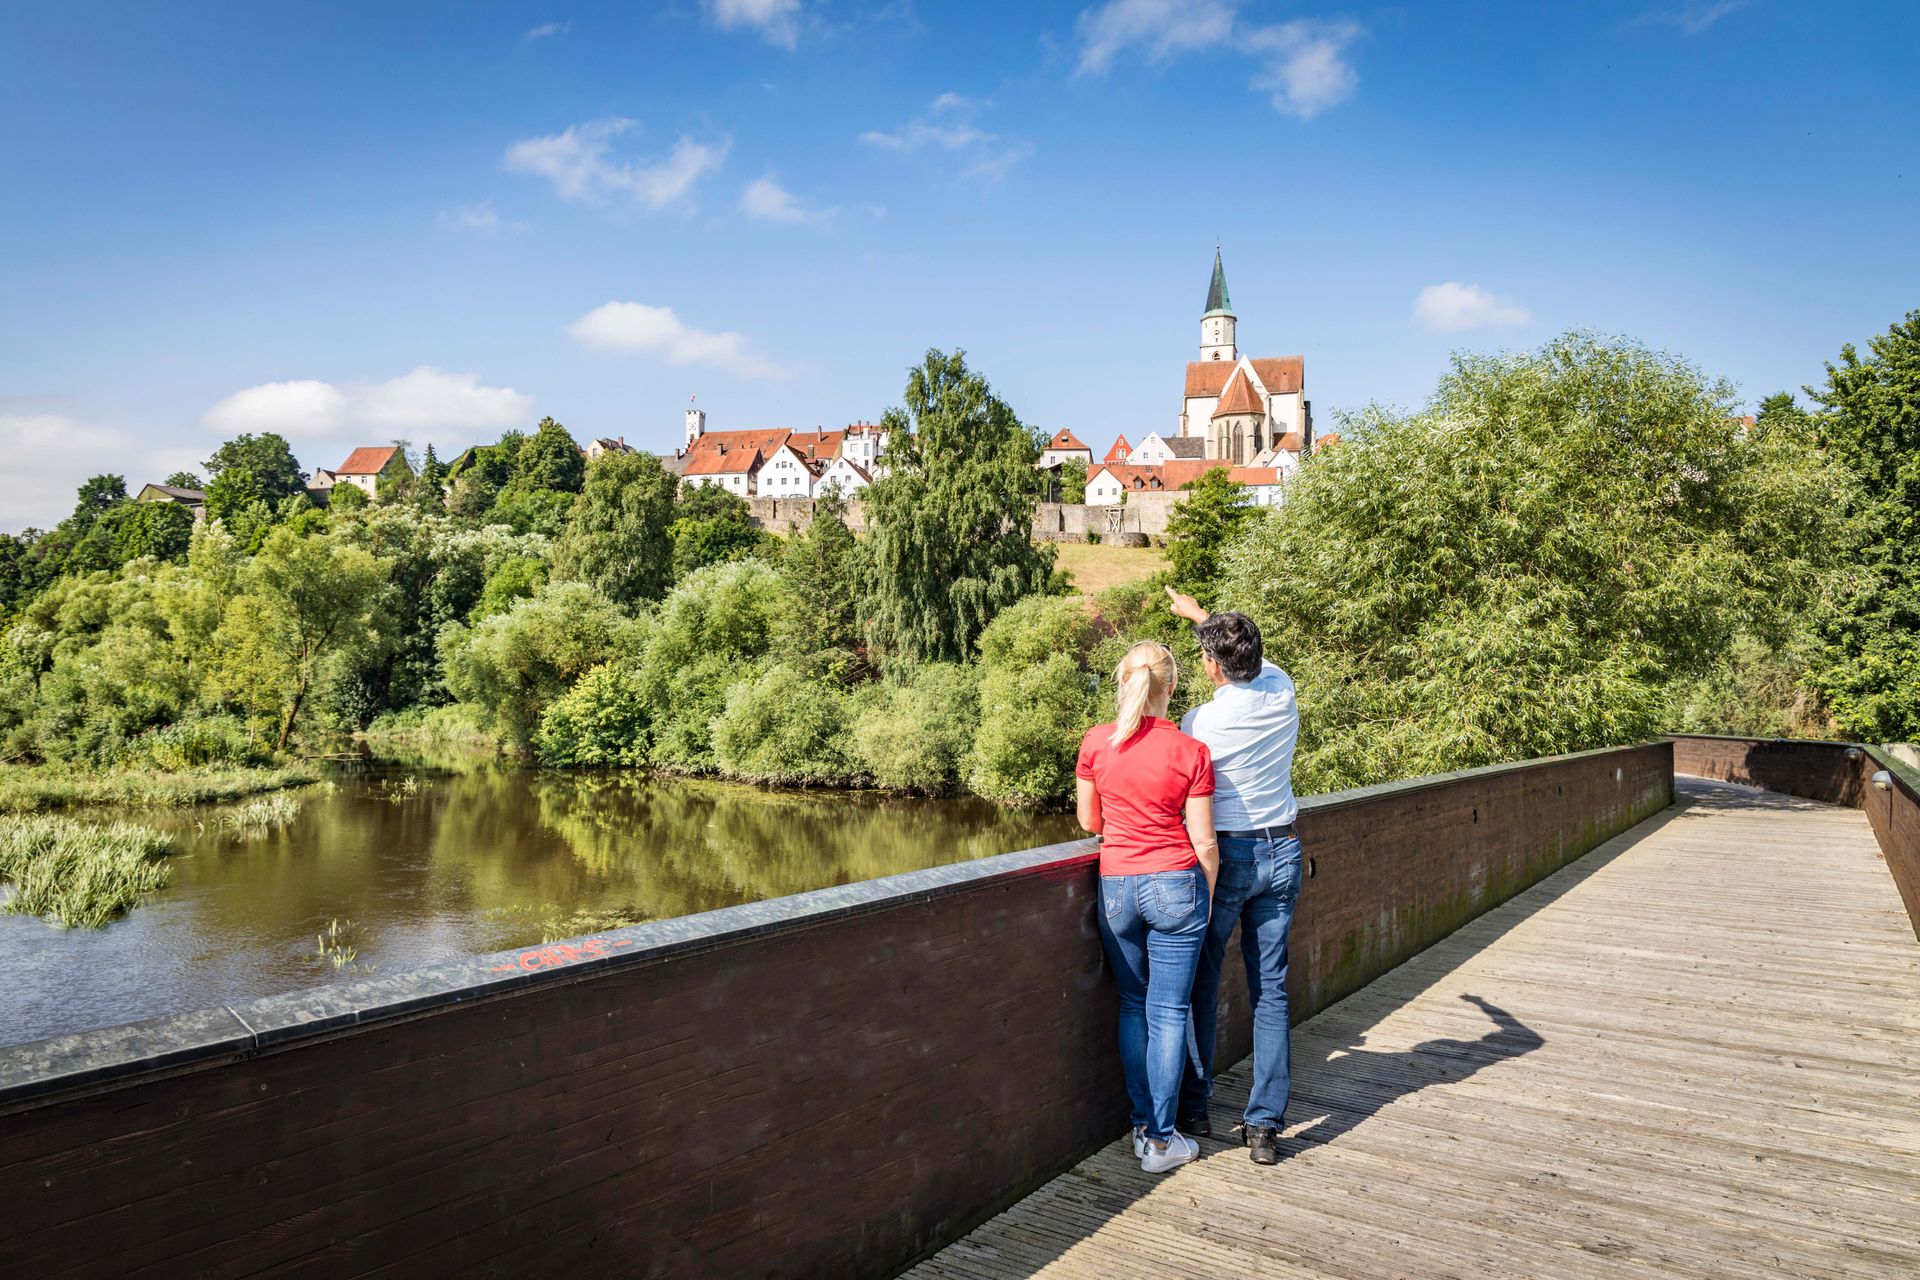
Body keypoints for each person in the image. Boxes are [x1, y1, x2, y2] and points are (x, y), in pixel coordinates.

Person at [1165, 587, 1302, 1167]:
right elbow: (1254, 661)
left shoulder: (1199, 722)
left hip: (1226, 859)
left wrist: (1199, 623)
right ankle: (1264, 1127)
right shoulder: (1282, 690)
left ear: (1213, 667)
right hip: (1284, 851)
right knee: (1270, 990)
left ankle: (1195, 1107)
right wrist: (1204, 620)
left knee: (1203, 976)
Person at [1075, 641, 1220, 1174]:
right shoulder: (1191, 750)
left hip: (1116, 885)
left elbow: (1090, 823)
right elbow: (1204, 842)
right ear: (1173, 688)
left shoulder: (1095, 743)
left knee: (1134, 1007)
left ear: (1122, 682)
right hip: (1176, 884)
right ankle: (1162, 1142)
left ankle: (1142, 1128)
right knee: (1168, 1013)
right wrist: (1202, 895)